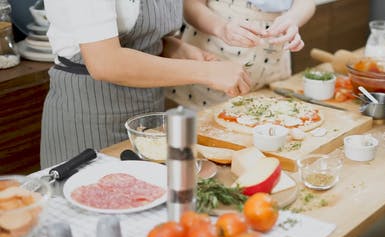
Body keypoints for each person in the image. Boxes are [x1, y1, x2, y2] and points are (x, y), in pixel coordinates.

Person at [41, 0, 251, 168]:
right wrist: (207, 73)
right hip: (91, 113)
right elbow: (104, 62)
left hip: (147, 111)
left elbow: (141, 38)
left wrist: (176, 49)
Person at [166, 0, 316, 110]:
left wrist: (292, 19)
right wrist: (221, 28)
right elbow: (190, 5)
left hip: (271, 60)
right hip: (216, 51)